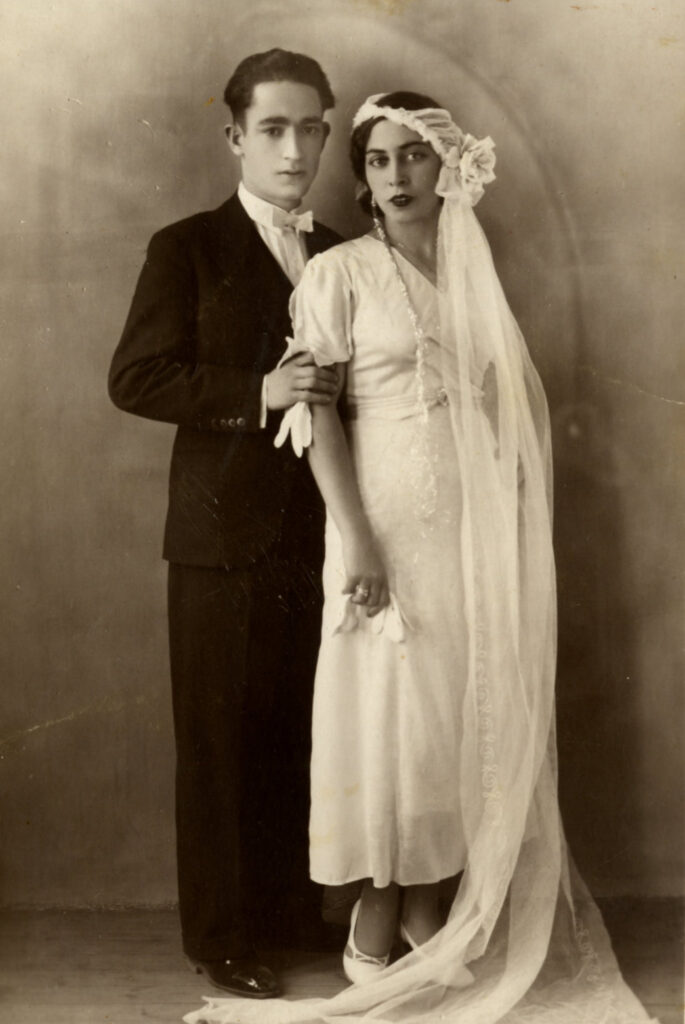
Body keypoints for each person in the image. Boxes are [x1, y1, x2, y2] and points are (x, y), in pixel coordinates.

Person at [184, 92, 654, 1024]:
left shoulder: (471, 271)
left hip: (464, 521)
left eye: (414, 159)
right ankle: (376, 901)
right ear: (360, 176)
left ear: (448, 171)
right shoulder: (340, 275)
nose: (396, 178)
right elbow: (313, 411)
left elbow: (491, 405)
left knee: (452, 699)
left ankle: (432, 892)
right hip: (380, 511)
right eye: (379, 161)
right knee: (385, 704)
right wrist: (352, 533)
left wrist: (505, 519)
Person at [108, 49, 342, 1000]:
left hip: (316, 532)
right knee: (218, 743)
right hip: (216, 542)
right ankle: (223, 936)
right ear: (235, 136)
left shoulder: (337, 248)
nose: (294, 150)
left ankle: (286, 915)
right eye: (274, 130)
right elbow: (136, 377)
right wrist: (258, 390)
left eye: (311, 128)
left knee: (295, 729)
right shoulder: (186, 246)